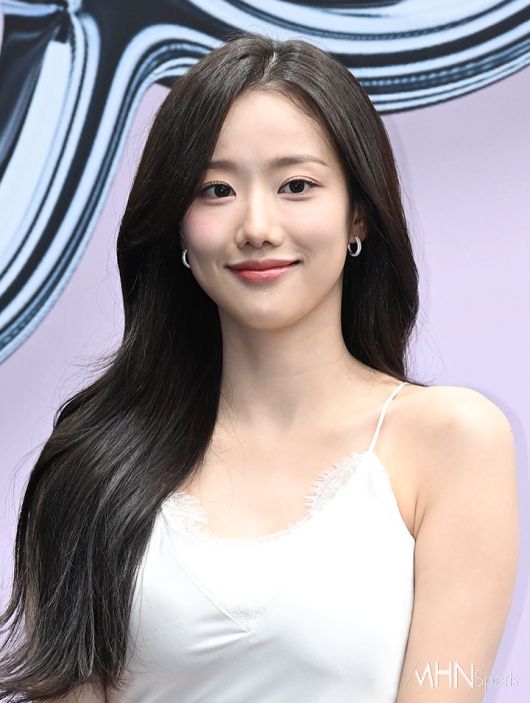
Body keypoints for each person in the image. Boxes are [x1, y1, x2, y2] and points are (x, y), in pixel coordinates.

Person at [0, 31, 519, 703]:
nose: (257, 226)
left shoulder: (453, 441)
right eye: (215, 189)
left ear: (358, 215)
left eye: (296, 185)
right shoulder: (93, 461)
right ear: (178, 226)